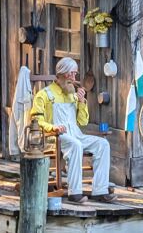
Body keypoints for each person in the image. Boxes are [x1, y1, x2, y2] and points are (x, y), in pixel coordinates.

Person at [31, 57, 116, 203]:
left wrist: (82, 102)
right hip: (54, 137)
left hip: (76, 134)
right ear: (62, 73)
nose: (74, 78)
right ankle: (74, 192)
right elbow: (36, 121)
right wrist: (53, 127)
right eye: (72, 74)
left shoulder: (73, 96)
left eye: (75, 74)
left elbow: (82, 122)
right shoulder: (44, 95)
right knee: (75, 145)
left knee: (103, 144)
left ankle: (100, 190)